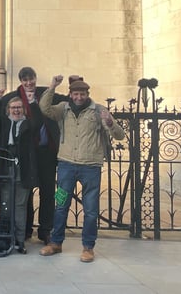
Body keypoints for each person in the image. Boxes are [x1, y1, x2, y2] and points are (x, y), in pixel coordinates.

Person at [38, 75, 125, 263]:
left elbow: (119, 135)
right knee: (60, 204)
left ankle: (88, 247)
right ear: (70, 94)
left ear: (87, 94)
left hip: (90, 167)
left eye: (82, 94)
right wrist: (52, 86)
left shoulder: (99, 110)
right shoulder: (63, 109)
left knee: (91, 209)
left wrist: (109, 123)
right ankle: (56, 242)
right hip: (66, 165)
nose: (79, 97)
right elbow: (44, 108)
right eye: (76, 93)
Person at [0, 66, 67, 244]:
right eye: (25, 80)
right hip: (25, 153)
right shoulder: (12, 98)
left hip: (46, 151)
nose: (29, 82)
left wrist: (61, 84)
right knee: (26, 191)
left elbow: (67, 100)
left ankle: (46, 229)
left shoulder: (45, 93)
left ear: (35, 78)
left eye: (31, 78)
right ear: (21, 81)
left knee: (48, 191)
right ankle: (25, 228)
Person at [0, 97, 38, 254]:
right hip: (6, 168)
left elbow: (38, 120)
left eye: (19, 107)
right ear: (8, 110)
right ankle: (6, 238)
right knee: (5, 205)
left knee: (20, 207)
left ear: (23, 110)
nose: (16, 110)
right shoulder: (4, 124)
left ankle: (20, 240)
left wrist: (33, 103)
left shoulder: (29, 125)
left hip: (23, 171)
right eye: (13, 108)